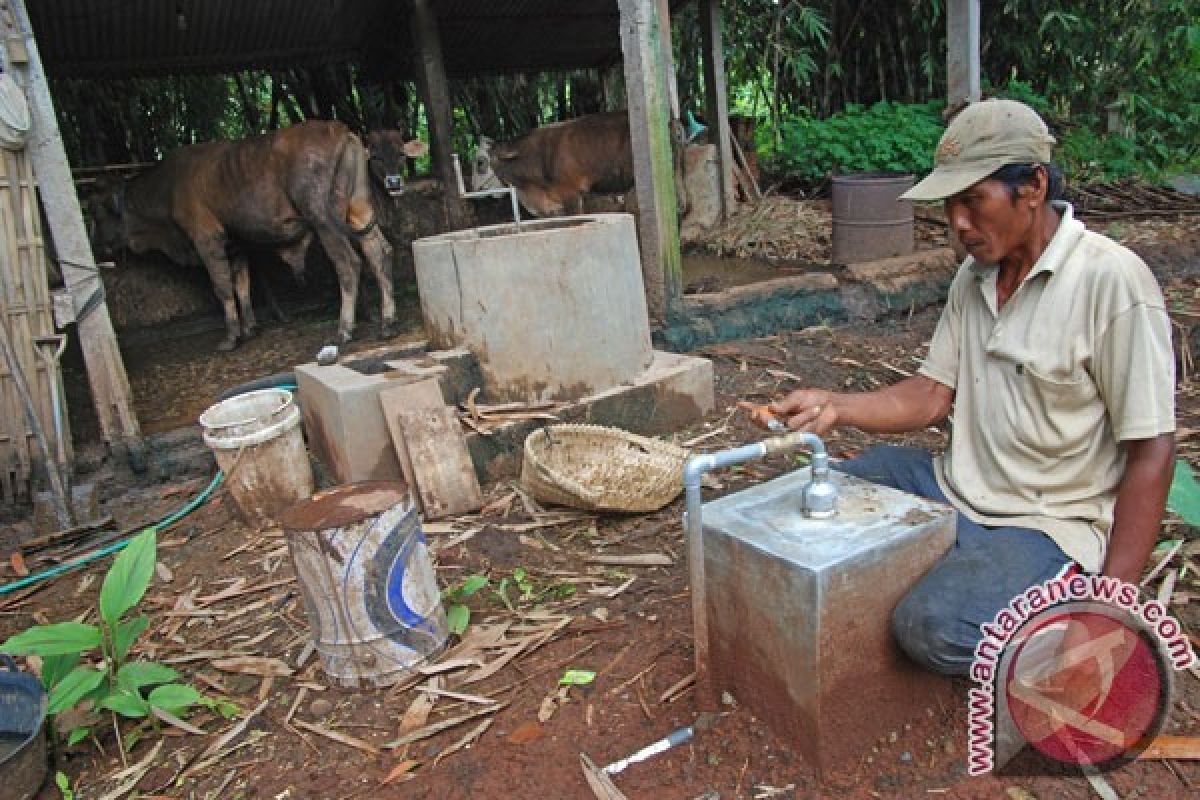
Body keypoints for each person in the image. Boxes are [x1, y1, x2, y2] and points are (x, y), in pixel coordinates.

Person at [764, 99, 1176, 677]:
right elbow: (933, 394)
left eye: (972, 200)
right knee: (820, 493)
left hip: (1047, 521)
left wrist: (1108, 609)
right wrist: (836, 406)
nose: (957, 222)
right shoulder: (975, 276)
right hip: (956, 485)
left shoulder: (1112, 282)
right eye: (951, 204)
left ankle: (1063, 623)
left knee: (930, 626)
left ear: (1031, 186)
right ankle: (979, 578)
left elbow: (1153, 451)